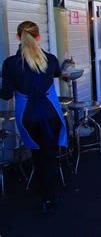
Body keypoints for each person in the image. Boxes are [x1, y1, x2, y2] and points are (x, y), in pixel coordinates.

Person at [0, 21, 67, 213]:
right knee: (49, 154)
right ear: (38, 37)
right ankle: (49, 196)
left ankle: (42, 191)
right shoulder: (50, 59)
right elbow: (58, 73)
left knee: (37, 154)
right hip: (50, 114)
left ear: (17, 37)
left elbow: (6, 94)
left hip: (28, 116)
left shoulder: (10, 64)